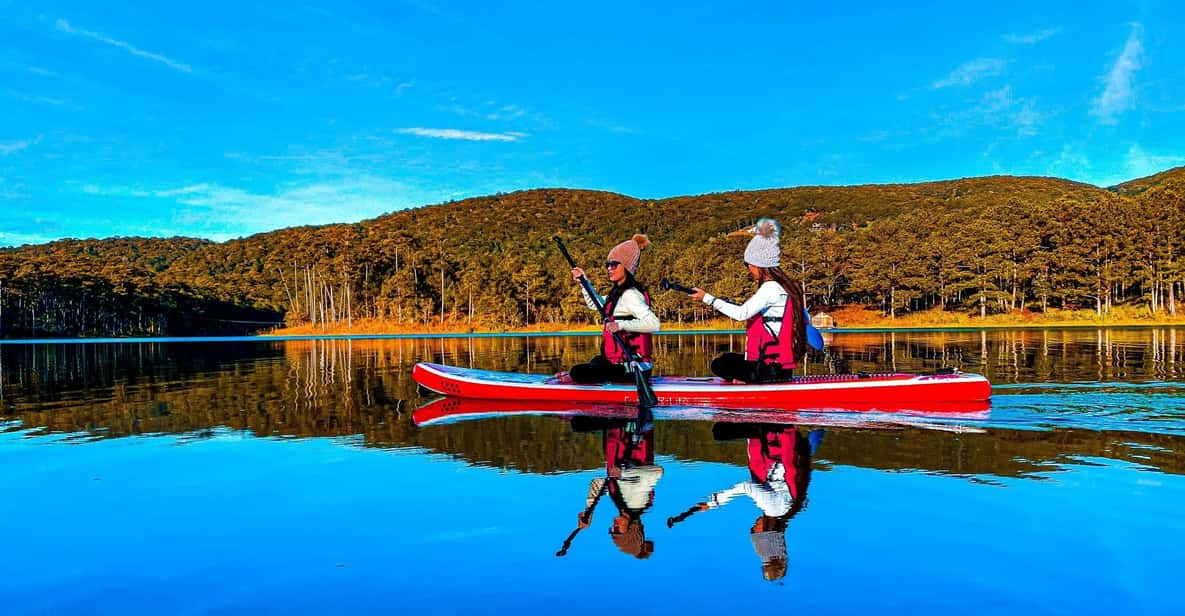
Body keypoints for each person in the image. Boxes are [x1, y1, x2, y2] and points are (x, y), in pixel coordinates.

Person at [692, 423, 822, 581]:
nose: (753, 526)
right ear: (765, 530)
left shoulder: (788, 511)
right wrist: (714, 502)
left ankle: (822, 426)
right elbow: (747, 487)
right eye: (754, 530)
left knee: (809, 449)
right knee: (719, 433)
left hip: (787, 445)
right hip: (777, 437)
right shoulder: (772, 509)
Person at [689, 219, 808, 383]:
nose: (749, 270)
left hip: (766, 371)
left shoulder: (770, 288)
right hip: (783, 369)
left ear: (756, 265)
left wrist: (706, 298)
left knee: (719, 363)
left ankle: (746, 380)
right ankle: (744, 378)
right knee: (730, 358)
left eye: (748, 265)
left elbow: (741, 314)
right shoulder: (788, 288)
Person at [564, 234, 661, 384]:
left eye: (614, 265)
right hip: (619, 365)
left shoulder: (630, 294)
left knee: (578, 372)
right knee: (597, 360)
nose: (609, 268)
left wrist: (620, 325)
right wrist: (584, 282)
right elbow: (594, 303)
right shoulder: (617, 294)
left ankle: (577, 377)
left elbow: (654, 323)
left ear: (627, 267)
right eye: (607, 265)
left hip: (634, 368)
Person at [569, 416, 663, 559]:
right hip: (635, 426)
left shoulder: (620, 502)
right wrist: (623, 472)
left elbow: (597, 483)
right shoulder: (638, 501)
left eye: (612, 530)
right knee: (577, 424)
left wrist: (588, 511)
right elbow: (657, 472)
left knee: (577, 424)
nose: (613, 527)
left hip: (617, 429)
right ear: (630, 531)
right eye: (618, 531)